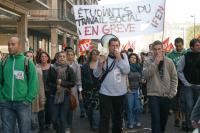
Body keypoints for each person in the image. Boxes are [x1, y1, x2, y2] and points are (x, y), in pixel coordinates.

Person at [0, 37, 39, 133]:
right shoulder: (4, 62)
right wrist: (1, 96)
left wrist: (28, 99)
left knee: (24, 130)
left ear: (19, 46)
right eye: (9, 44)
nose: (10, 47)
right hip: (6, 103)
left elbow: (33, 82)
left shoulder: (27, 62)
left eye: (13, 44)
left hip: (23, 103)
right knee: (6, 130)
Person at [93, 37, 130, 133]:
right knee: (105, 117)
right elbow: (96, 74)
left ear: (119, 46)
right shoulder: (103, 56)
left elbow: (126, 70)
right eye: (113, 45)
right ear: (109, 47)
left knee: (118, 117)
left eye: (117, 45)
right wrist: (100, 63)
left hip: (120, 93)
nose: (115, 48)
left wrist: (119, 58)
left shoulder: (123, 56)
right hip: (105, 93)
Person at [143, 40, 178, 133]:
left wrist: (172, 92)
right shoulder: (147, 61)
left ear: (163, 49)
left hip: (166, 95)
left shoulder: (169, 61)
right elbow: (145, 75)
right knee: (155, 120)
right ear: (152, 50)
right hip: (153, 94)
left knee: (163, 120)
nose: (157, 51)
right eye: (155, 49)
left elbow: (174, 78)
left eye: (159, 49)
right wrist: (155, 63)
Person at [47, 51, 76, 133]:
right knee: (54, 118)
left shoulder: (69, 69)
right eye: (60, 56)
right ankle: (57, 130)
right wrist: (55, 86)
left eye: (63, 56)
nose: (62, 58)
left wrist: (62, 83)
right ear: (57, 58)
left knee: (63, 118)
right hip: (54, 95)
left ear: (66, 58)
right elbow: (48, 82)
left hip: (65, 96)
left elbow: (73, 82)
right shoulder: (52, 68)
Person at [177, 38, 200, 132]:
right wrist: (186, 83)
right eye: (197, 45)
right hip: (188, 87)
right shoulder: (185, 57)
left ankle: (197, 128)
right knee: (189, 107)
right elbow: (179, 71)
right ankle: (189, 127)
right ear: (191, 47)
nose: (199, 47)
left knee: (198, 108)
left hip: (199, 86)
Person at [166, 37, 187, 128]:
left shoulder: (187, 54)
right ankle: (176, 118)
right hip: (174, 81)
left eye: (180, 46)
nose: (178, 47)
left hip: (185, 82)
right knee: (175, 102)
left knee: (184, 102)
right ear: (174, 45)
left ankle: (184, 120)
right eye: (177, 46)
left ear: (183, 44)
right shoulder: (170, 55)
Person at [25, 51, 46, 133]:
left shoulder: (37, 69)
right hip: (22, 98)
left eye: (31, 56)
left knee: (33, 121)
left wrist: (42, 98)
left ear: (33, 58)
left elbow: (41, 86)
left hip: (34, 98)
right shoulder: (20, 68)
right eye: (27, 56)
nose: (29, 58)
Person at [81, 49, 101, 131]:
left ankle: (95, 126)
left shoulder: (101, 65)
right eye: (93, 54)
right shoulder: (85, 66)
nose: (95, 55)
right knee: (88, 109)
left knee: (96, 108)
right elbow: (82, 78)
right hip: (87, 90)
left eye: (97, 54)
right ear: (90, 55)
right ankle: (92, 122)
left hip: (97, 90)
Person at [66, 49, 83, 128]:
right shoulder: (63, 64)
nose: (70, 56)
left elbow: (79, 80)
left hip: (73, 89)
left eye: (71, 55)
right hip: (63, 88)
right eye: (68, 54)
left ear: (74, 56)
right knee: (64, 106)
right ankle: (65, 124)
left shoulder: (77, 66)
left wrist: (80, 92)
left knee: (72, 106)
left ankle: (69, 124)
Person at [125, 53, 143, 129]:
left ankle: (137, 120)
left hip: (137, 90)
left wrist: (142, 80)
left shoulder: (139, 67)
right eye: (131, 57)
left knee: (138, 107)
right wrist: (127, 88)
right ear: (129, 59)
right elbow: (125, 78)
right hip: (129, 90)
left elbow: (141, 78)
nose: (133, 59)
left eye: (134, 58)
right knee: (130, 107)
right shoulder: (126, 67)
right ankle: (131, 122)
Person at [38, 51, 52, 130]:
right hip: (39, 91)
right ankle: (40, 124)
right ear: (40, 58)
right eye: (42, 56)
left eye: (45, 56)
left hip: (49, 91)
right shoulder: (36, 66)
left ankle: (48, 123)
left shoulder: (51, 67)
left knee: (49, 108)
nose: (43, 58)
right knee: (40, 108)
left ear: (48, 58)